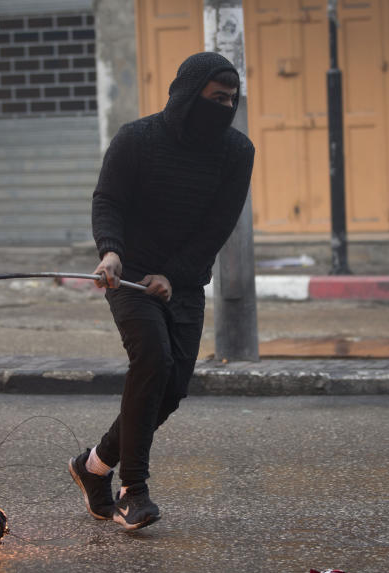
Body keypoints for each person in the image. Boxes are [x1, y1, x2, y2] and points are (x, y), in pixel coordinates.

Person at [68, 52, 255, 530]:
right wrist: (110, 253)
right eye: (217, 98)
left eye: (232, 99)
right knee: (152, 359)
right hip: (129, 274)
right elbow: (107, 199)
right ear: (189, 96)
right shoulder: (137, 139)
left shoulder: (237, 152)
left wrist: (175, 274)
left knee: (170, 390)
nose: (226, 106)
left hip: (185, 282)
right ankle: (134, 490)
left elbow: (219, 224)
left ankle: (93, 466)